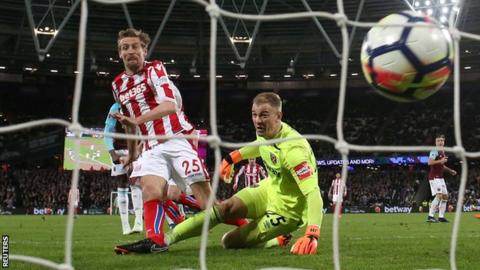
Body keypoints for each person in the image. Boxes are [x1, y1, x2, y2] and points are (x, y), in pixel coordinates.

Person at [111, 28, 246, 255]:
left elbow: (169, 105)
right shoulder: (117, 85)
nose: (130, 51)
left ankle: (248, 226)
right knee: (152, 189)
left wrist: (137, 119)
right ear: (120, 54)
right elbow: (129, 124)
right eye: (125, 48)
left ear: (144, 50)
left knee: (208, 205)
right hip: (151, 147)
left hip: (177, 139)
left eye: (135, 46)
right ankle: (155, 241)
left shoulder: (155, 69)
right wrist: (133, 153)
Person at [163, 92, 324, 255]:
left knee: (228, 242)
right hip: (269, 189)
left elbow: (313, 192)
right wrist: (232, 158)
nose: (258, 121)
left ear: (278, 116)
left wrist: (312, 234)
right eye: (254, 115)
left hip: (289, 211)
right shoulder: (266, 131)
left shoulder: (293, 151)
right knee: (224, 208)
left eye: (264, 115)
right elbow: (260, 145)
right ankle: (165, 239)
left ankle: (277, 240)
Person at [104, 102, 143, 235]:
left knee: (135, 181)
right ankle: (125, 226)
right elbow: (107, 131)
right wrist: (112, 153)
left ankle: (138, 222)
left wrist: (135, 153)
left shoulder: (138, 105)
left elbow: (144, 132)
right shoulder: (114, 108)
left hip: (135, 149)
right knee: (122, 184)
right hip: (118, 150)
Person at [426, 134, 457, 223]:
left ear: (444, 142)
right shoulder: (434, 151)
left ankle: (441, 217)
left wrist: (450, 170)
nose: (440, 142)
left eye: (442, 140)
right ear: (435, 142)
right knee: (439, 195)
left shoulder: (442, 152)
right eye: (438, 140)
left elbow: (441, 165)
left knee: (445, 196)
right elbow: (429, 162)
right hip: (434, 177)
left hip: (440, 177)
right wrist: (441, 161)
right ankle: (430, 216)